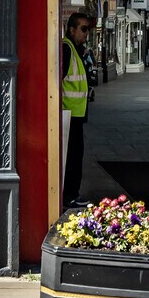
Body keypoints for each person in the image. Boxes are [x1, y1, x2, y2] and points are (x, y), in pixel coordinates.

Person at [61, 12, 93, 204]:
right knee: (72, 157)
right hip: (69, 113)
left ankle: (71, 194)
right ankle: (70, 195)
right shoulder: (67, 49)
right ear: (72, 29)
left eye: (87, 29)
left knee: (75, 155)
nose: (86, 33)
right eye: (83, 29)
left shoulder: (75, 49)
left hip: (75, 113)